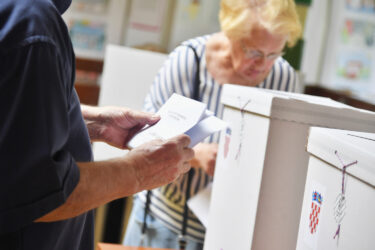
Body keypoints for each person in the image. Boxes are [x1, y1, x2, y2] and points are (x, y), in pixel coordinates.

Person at [0, 0, 195, 249]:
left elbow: (11, 122)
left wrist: (92, 123)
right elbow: (38, 192)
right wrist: (138, 171)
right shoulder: (32, 21)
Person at [123, 0, 302, 249]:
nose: (263, 64)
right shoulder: (189, 61)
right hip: (165, 225)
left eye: (273, 54)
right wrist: (196, 155)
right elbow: (144, 139)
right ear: (231, 33)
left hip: (234, 233)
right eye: (253, 52)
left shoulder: (283, 78)